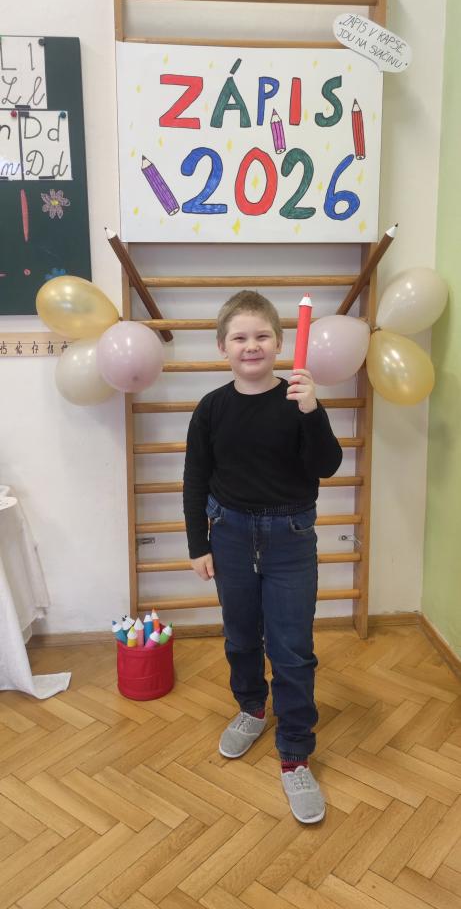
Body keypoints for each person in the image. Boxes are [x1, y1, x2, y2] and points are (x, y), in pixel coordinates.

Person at [183, 290, 342, 823]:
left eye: (261, 336)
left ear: (279, 342)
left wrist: (312, 411)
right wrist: (198, 544)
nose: (251, 346)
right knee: (240, 635)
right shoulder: (211, 408)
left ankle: (295, 751)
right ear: (222, 347)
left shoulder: (299, 401)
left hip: (290, 538)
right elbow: (195, 479)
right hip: (229, 534)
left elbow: (327, 466)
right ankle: (251, 706)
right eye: (239, 337)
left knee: (293, 650)